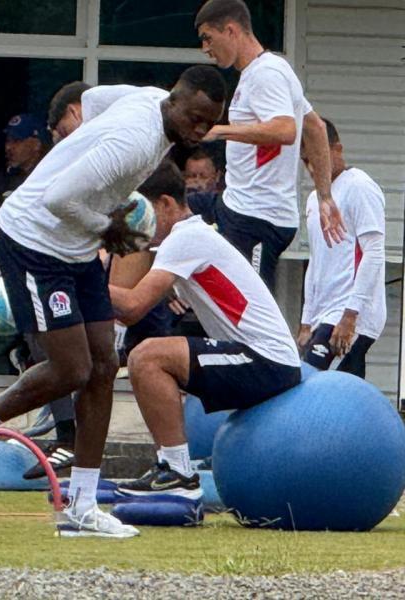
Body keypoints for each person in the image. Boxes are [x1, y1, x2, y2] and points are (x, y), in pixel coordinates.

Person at [0, 65, 227, 538]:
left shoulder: (146, 97)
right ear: (175, 100)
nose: (199, 130)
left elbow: (89, 103)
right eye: (194, 117)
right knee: (72, 369)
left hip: (73, 247)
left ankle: (81, 508)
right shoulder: (132, 142)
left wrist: (88, 161)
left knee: (103, 365)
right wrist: (108, 226)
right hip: (33, 238)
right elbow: (56, 198)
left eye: (208, 122)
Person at [109, 161, 301, 499]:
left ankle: (178, 472)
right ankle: (170, 467)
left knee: (147, 357)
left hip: (269, 362)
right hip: (258, 358)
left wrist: (74, 281)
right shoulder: (185, 239)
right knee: (149, 356)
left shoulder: (186, 239)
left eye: (140, 211)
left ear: (166, 204)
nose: (134, 221)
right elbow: (127, 304)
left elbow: (132, 306)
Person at [195, 0, 344, 289]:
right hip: (235, 205)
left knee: (247, 312)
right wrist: (325, 196)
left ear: (231, 30)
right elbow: (315, 127)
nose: (205, 49)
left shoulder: (267, 74)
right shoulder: (266, 71)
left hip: (257, 218)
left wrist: (221, 131)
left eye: (208, 38)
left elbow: (286, 130)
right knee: (172, 208)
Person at [298, 119, 386, 379]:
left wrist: (350, 316)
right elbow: (316, 261)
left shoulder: (359, 186)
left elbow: (373, 252)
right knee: (339, 388)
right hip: (324, 313)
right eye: (306, 161)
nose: (313, 168)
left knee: (312, 383)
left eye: (318, 157)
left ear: (337, 149)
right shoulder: (315, 198)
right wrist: (306, 320)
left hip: (350, 313)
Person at [0, 114, 48, 209]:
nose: (8, 147)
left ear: (36, 144)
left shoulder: (48, 174)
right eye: (8, 141)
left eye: (17, 141)